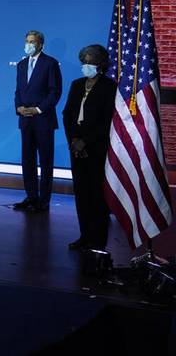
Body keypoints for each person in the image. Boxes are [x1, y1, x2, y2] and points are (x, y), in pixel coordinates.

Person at [62, 45, 116, 251]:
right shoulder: (77, 85)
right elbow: (67, 115)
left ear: (100, 64)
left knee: (96, 194)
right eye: (83, 61)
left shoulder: (109, 87)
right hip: (76, 148)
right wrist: (74, 140)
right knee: (81, 193)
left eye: (89, 61)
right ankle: (84, 235)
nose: (85, 65)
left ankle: (98, 238)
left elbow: (107, 120)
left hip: (96, 148)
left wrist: (86, 141)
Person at [13, 30, 62, 212]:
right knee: (28, 160)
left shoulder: (50, 63)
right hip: (25, 120)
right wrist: (19, 108)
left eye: (32, 42)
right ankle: (31, 196)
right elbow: (18, 91)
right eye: (27, 41)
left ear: (40, 44)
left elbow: (54, 92)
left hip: (43, 119)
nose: (28, 44)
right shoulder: (21, 64)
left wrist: (38, 109)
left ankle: (44, 200)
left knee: (46, 160)